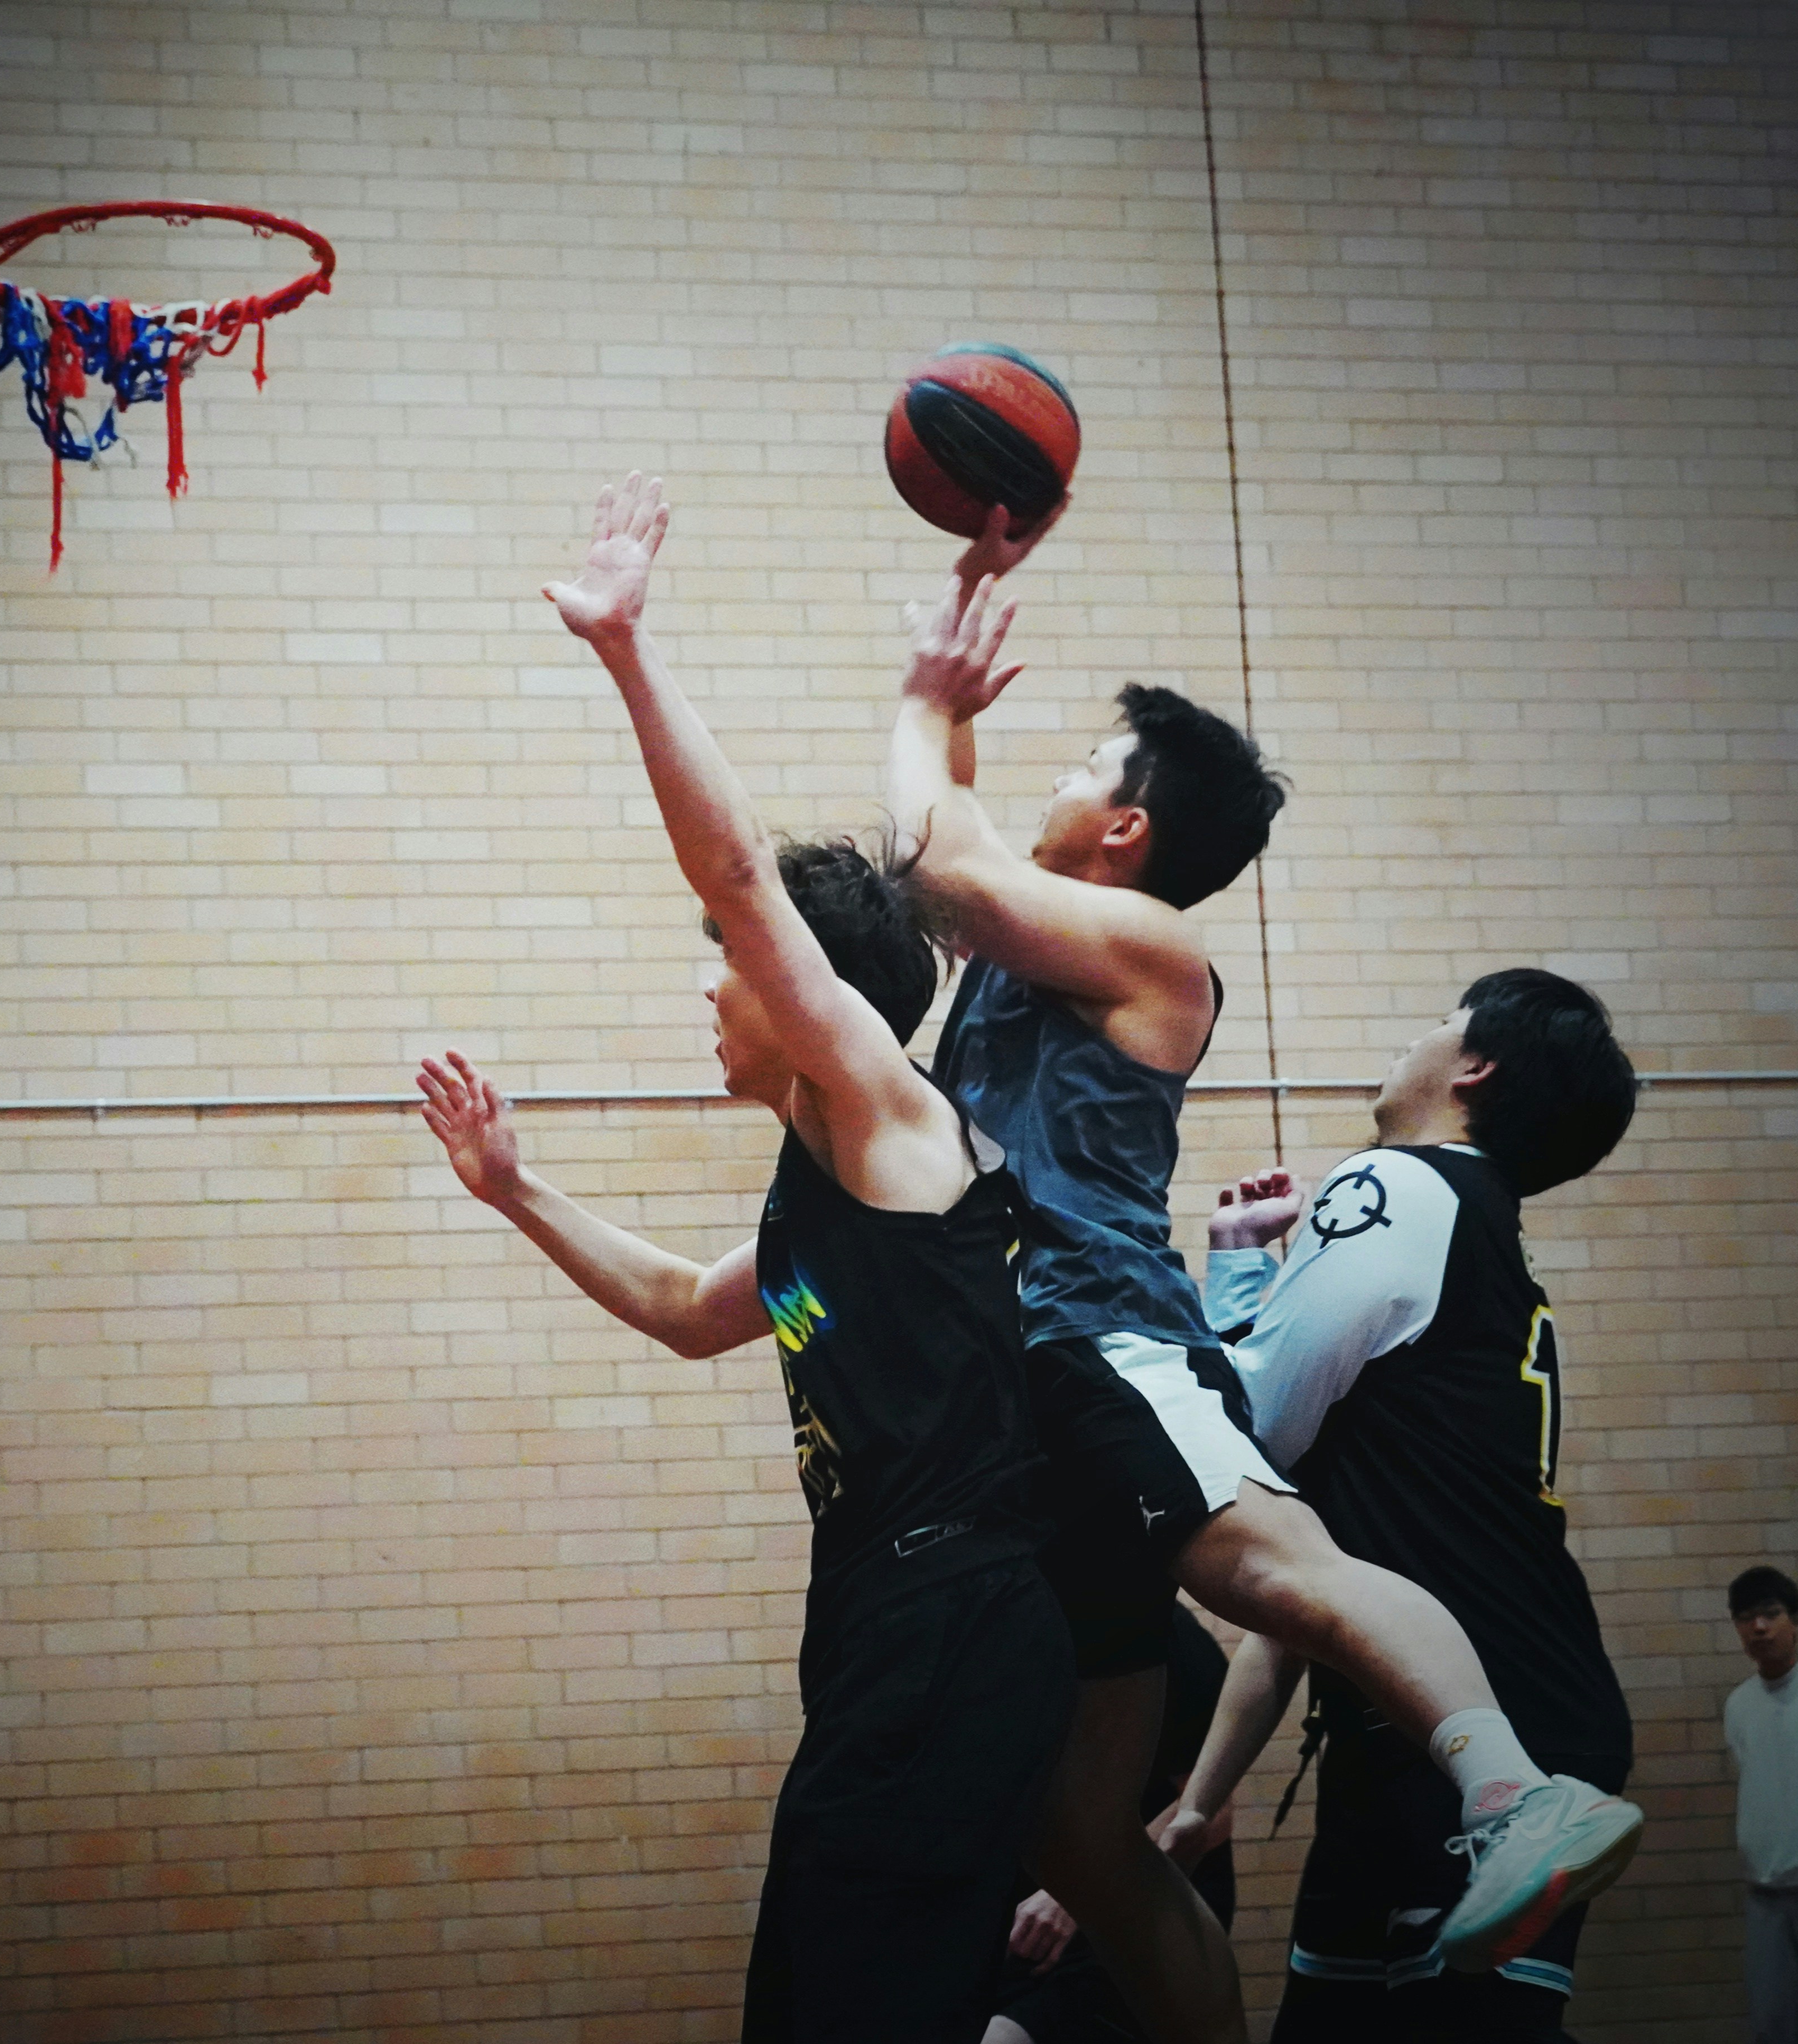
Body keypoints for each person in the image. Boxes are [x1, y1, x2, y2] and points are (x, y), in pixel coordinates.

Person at [886, 531, 1641, 2041]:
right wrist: (954, 698)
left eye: (1087, 762)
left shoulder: (1154, 950)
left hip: (1101, 1346)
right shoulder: (1023, 940)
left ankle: (1507, 1792)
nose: (1055, 776)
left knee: (1275, 1574)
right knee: (1084, 1841)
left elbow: (938, 860)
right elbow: (960, 853)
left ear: (1124, 830)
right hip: (1017, 1410)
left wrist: (915, 703)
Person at [418, 474, 1074, 2043]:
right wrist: (514, 1191)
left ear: (801, 987)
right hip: (885, 1635)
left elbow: (732, 878)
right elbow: (677, 1309)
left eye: (730, 969)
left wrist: (626, 651)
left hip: (952, 1621)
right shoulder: (815, 1200)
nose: (710, 991)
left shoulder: (887, 1119)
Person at [1157, 969, 1646, 2041]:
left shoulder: (1397, 1180)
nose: (1412, 1037)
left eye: (1440, 1020)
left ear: (1475, 1066)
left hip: (1497, 1717)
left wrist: (1207, 1290)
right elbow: (1304, 1588)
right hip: (1405, 1732)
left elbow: (1255, 1427)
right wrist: (1197, 1804)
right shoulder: (1475, 1224)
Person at [983, 1605, 1239, 2044]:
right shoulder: (1005, 1637)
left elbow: (1212, 1815)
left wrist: (1080, 1894)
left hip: (1134, 1920)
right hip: (1035, 1922)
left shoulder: (1167, 1638)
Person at [1724, 1565, 1798, 2044]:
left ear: (1796, 1619)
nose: (1760, 1628)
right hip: (1765, 1893)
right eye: (1747, 1618)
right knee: (1773, 2025)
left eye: (1770, 1614)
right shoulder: (1740, 1703)